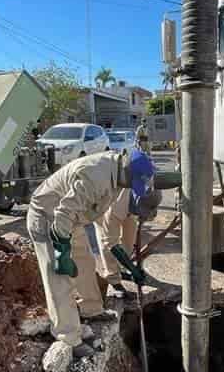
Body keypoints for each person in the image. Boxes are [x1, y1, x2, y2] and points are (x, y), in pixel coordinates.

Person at [28, 149, 157, 358]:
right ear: (126, 171)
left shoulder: (118, 177)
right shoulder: (95, 176)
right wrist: (62, 252)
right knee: (59, 277)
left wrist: (131, 268)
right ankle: (68, 337)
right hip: (48, 218)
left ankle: (91, 310)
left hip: (74, 220)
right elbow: (63, 214)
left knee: (86, 264)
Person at [96, 187, 162, 299]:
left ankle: (123, 267)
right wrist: (134, 270)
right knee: (107, 245)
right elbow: (111, 244)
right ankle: (113, 278)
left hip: (130, 203)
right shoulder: (112, 210)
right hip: (102, 207)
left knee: (129, 239)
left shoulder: (148, 193)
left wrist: (132, 268)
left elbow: (148, 206)